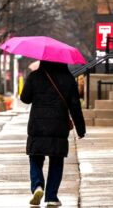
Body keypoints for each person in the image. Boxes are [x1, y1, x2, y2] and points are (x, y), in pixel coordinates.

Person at [20, 61, 86, 206]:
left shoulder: (35, 76)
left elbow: (25, 98)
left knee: (35, 157)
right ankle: (51, 197)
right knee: (56, 161)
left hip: (37, 125)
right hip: (59, 126)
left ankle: (37, 185)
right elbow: (75, 106)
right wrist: (81, 129)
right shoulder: (68, 79)